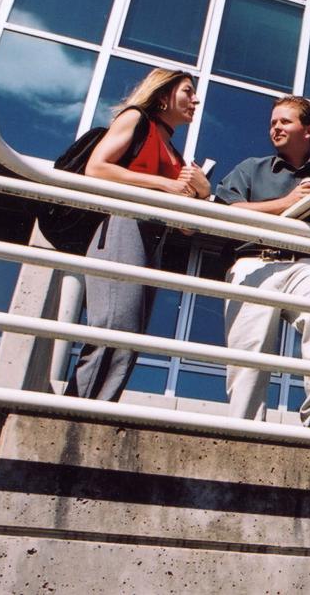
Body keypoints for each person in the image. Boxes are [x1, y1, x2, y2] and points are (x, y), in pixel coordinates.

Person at [213, 96, 310, 432]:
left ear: (308, 130)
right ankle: (245, 425)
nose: (275, 128)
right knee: (250, 346)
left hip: (308, 265)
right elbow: (228, 210)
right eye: (272, 123)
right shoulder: (250, 168)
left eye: (284, 121)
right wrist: (286, 203)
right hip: (255, 260)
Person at [67, 68, 210, 401]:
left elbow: (186, 226)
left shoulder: (175, 156)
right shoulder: (136, 119)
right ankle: (74, 413)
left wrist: (202, 193)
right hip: (122, 226)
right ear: (162, 96)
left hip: (152, 241)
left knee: (129, 337)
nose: (196, 99)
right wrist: (164, 184)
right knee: (113, 326)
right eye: (188, 91)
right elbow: (97, 167)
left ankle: (99, 411)